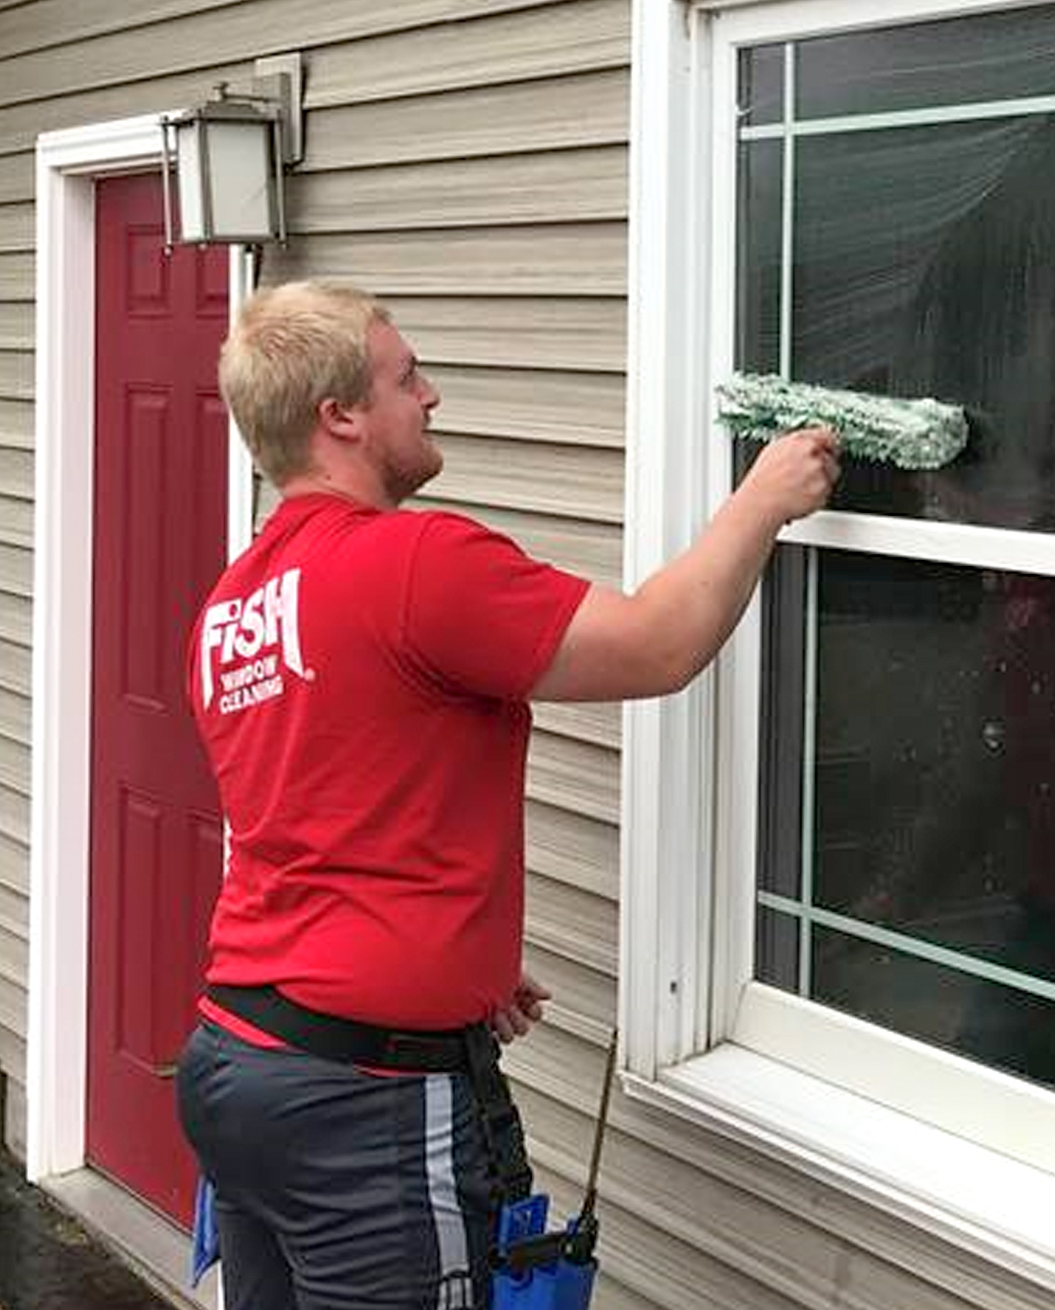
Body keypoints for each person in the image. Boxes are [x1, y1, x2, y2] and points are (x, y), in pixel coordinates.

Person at [176, 280, 839, 1310]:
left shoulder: (233, 606)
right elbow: (658, 647)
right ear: (339, 415)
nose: (431, 396)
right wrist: (762, 496)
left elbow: (326, 812)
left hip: (240, 1065)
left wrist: (462, 956)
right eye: (406, 378)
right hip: (368, 1107)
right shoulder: (412, 562)